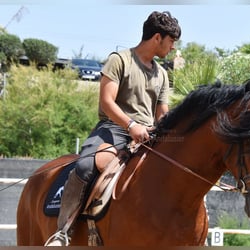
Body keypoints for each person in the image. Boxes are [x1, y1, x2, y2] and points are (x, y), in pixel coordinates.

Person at [45, 11, 181, 246]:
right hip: (114, 129)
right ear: (157, 37)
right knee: (86, 164)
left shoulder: (162, 74)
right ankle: (63, 230)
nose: (172, 48)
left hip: (148, 134)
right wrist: (131, 125)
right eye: (171, 42)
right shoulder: (120, 60)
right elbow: (107, 103)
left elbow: (162, 113)